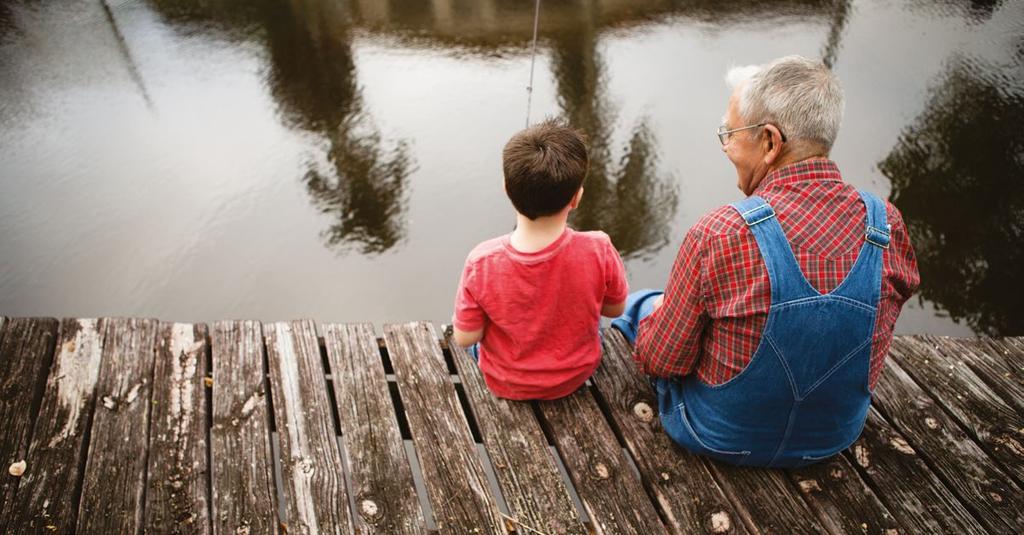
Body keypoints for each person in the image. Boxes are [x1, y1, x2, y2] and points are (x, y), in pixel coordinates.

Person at [613, 56, 919, 467]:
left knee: (641, 306)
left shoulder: (718, 233)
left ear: (771, 142)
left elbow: (663, 362)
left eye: (730, 133)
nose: (725, 146)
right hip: (832, 437)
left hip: (718, 436)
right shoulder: (887, 225)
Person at [451, 119, 629, 400]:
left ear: (506, 189)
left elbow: (465, 338)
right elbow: (615, 309)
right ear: (577, 197)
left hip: (507, 382)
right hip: (575, 375)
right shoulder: (599, 247)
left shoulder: (482, 261)